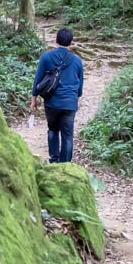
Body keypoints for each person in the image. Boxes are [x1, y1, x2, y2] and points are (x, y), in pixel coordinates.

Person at [31, 28, 84, 163]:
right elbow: (80, 85)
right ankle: (66, 164)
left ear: (55, 40)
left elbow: (38, 80)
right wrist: (74, 100)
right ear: (71, 42)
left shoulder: (46, 57)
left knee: (53, 130)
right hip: (69, 103)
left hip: (52, 102)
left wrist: (33, 100)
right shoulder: (77, 61)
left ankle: (54, 161)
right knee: (67, 135)